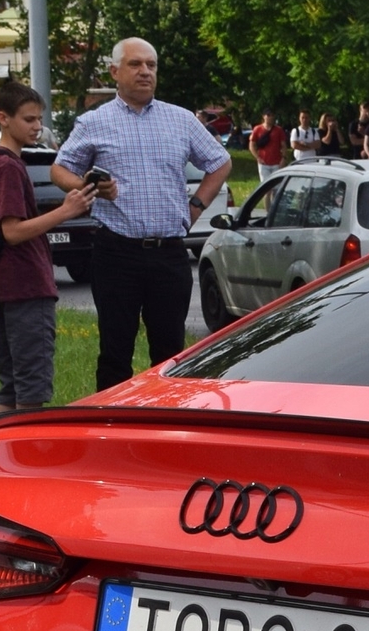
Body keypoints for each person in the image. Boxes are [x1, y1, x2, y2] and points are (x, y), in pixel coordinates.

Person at [51, 36, 234, 390]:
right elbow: (60, 170)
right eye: (136, 65)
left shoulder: (180, 119)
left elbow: (220, 162)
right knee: (115, 351)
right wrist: (87, 185)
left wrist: (194, 206)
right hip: (116, 251)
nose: (145, 72)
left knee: (170, 354)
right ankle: (110, 429)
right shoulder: (94, 122)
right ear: (114, 72)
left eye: (151, 65)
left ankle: (165, 430)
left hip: (169, 253)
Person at [0, 79, 94, 412]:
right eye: (28, 119)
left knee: (12, 385)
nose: (37, 127)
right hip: (26, 286)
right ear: (3, 118)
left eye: (39, 119)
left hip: (8, 286)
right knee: (31, 388)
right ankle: (21, 460)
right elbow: (12, 231)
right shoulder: (7, 166)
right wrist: (66, 211)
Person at [249, 111, 284, 187]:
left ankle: (274, 199)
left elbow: (283, 145)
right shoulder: (257, 129)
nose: (270, 117)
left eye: (272, 115)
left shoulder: (279, 130)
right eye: (268, 115)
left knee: (276, 187)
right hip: (263, 162)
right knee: (265, 187)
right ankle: (267, 199)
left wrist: (283, 159)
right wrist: (257, 157)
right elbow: (252, 145)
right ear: (263, 116)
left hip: (276, 163)